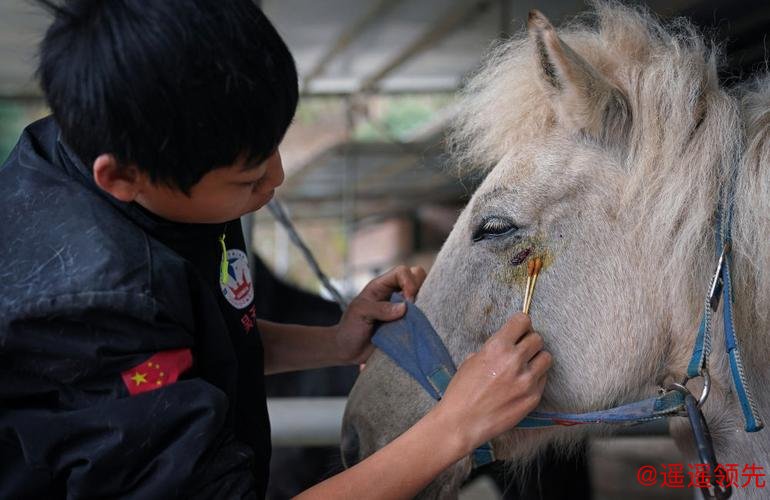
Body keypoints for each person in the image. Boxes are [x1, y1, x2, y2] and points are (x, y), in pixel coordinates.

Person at [0, 1, 552, 498]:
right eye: (247, 178)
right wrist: (455, 426)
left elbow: (197, 336)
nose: (276, 181)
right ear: (122, 177)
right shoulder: (86, 309)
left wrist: (335, 342)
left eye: (272, 151)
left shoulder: (127, 140)